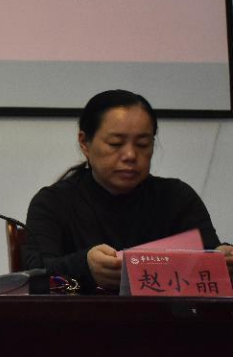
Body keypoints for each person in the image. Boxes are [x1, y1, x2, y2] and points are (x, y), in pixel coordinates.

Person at [24, 89, 233, 292]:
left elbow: (211, 260)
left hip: (163, 315)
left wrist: (223, 259)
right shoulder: (52, 203)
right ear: (85, 143)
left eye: (142, 144)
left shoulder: (177, 197)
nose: (131, 155)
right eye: (116, 143)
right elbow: (32, 281)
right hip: (81, 316)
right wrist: (84, 268)